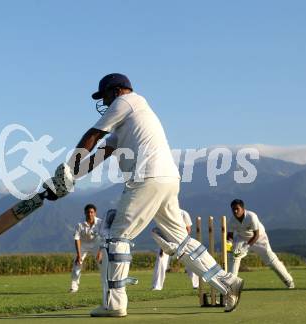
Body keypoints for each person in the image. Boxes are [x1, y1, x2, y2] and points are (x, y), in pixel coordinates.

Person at [43, 73, 244, 316]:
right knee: (180, 240)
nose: (104, 103)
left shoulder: (125, 102)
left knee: (116, 237)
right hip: (167, 179)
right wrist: (69, 179)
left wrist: (66, 169)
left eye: (105, 96)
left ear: (117, 91)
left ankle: (115, 303)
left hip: (146, 178)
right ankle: (227, 282)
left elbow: (93, 135)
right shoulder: (133, 115)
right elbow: (100, 155)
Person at [228, 199, 295, 288]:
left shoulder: (251, 216)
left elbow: (256, 235)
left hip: (259, 238)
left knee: (271, 260)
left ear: (243, 209)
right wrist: (229, 245)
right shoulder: (231, 220)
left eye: (237, 209)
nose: (235, 211)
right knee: (234, 258)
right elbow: (230, 236)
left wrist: (246, 247)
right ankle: (231, 286)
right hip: (241, 238)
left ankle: (289, 281)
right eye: (233, 209)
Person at [152, 209, 199, 290]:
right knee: (161, 261)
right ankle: (157, 286)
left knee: (190, 260)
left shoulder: (183, 213)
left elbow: (188, 229)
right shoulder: (162, 214)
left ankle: (196, 285)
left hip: (182, 241)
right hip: (166, 242)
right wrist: (163, 245)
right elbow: (161, 229)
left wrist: (182, 241)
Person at [70, 204, 103, 293]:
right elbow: (77, 239)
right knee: (77, 265)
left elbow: (103, 238)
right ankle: (74, 287)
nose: (90, 214)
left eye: (92, 212)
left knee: (103, 264)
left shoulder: (100, 223)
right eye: (88, 212)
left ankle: (106, 286)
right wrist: (78, 255)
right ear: (85, 213)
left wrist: (100, 252)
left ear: (95, 213)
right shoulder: (79, 224)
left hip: (96, 244)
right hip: (83, 245)